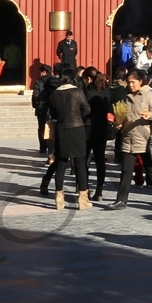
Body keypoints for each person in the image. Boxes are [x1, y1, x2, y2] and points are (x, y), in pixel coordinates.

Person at [113, 68, 152, 209]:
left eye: (133, 82)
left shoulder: (149, 95)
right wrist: (118, 124)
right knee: (126, 171)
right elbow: (121, 114)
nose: (130, 85)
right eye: (128, 82)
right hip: (128, 137)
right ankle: (121, 200)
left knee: (150, 168)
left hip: (145, 137)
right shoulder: (124, 95)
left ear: (140, 82)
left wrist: (149, 114)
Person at [47, 66, 92, 210]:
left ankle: (59, 198)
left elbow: (52, 113)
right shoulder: (78, 92)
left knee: (61, 164)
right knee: (80, 163)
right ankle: (83, 199)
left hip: (61, 129)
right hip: (77, 129)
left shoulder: (54, 94)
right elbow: (87, 110)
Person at [83, 68, 115, 200]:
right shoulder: (107, 92)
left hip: (88, 128)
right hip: (102, 127)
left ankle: (84, 189)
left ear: (89, 79)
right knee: (100, 160)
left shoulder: (87, 92)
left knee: (84, 160)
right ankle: (99, 191)